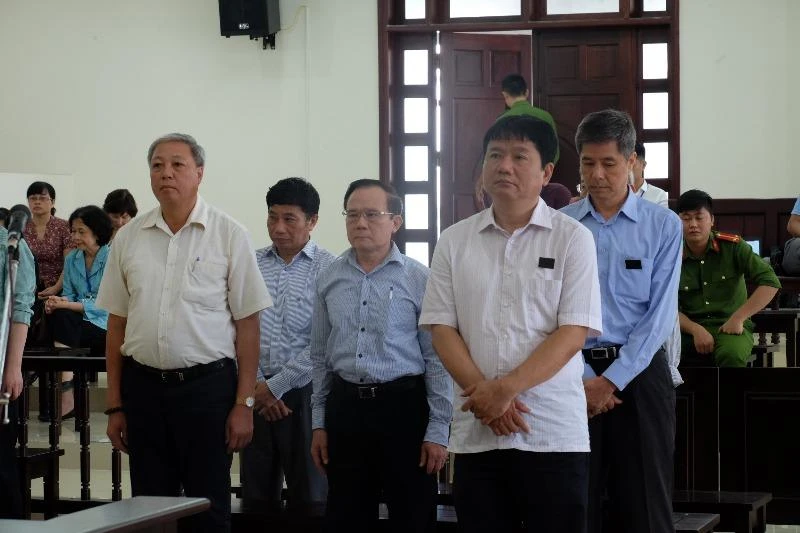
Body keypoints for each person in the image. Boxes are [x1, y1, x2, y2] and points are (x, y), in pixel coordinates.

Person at [420, 115, 602, 532]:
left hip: (551, 432)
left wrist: (504, 391)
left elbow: (573, 331)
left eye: (520, 156)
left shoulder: (572, 238)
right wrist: (487, 397)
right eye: (495, 155)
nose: (504, 166)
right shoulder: (454, 240)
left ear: (546, 173)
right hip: (478, 432)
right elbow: (442, 329)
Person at [96, 133, 272, 533]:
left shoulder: (229, 234)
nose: (166, 173)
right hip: (143, 389)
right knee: (148, 508)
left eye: (177, 164)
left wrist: (244, 403)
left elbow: (248, 325)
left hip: (207, 390)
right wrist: (115, 404)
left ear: (199, 173)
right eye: (157, 165)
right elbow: (117, 324)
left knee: (206, 507)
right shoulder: (128, 238)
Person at [560, 109, 682, 533]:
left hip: (641, 375)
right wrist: (584, 377)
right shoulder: (562, 226)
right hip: (571, 373)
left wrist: (610, 381)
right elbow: (552, 309)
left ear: (631, 161)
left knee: (645, 504)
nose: (597, 175)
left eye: (608, 163)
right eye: (588, 163)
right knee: (577, 502)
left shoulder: (662, 225)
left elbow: (660, 315)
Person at [309, 179, 453, 533]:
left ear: (395, 222)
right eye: (352, 214)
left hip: (403, 409)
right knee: (346, 516)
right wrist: (319, 424)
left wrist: (438, 429)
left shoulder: (419, 278)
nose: (360, 223)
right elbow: (320, 357)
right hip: (346, 410)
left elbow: (437, 359)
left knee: (412, 515)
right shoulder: (328, 278)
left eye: (372, 214)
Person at [239, 177, 335, 510]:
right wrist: (259, 386)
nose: (278, 228)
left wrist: (276, 386)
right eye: (272, 217)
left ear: (312, 221)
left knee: (310, 495)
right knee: (255, 495)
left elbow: (327, 340)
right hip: (254, 392)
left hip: (307, 394)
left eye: (289, 219)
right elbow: (237, 326)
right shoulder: (251, 264)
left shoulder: (330, 268)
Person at [677, 190, 780, 368]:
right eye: (686, 219)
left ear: (712, 220)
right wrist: (694, 329)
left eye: (699, 218)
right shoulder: (670, 254)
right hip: (687, 328)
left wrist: (739, 318)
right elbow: (664, 304)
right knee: (659, 357)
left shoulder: (732, 247)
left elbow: (770, 282)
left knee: (731, 355)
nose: (693, 224)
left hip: (730, 326)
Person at [45, 206, 113, 418]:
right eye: (73, 231)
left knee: (61, 319)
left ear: (97, 232)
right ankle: (65, 391)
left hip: (106, 326)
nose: (74, 237)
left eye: (81, 232)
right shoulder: (72, 259)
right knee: (54, 314)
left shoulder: (112, 258)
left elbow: (106, 304)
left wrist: (66, 305)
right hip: (78, 324)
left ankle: (65, 393)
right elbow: (70, 295)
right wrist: (58, 301)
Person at [0, 223, 36, 519]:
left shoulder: (11, 244)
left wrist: (13, 367)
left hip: (0, 368)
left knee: (1, 468)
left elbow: (21, 309)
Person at [23, 181, 73, 298]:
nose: (37, 202)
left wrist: (56, 288)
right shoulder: (22, 227)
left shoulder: (64, 227)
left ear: (53, 202)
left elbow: (69, 263)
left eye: (42, 198)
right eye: (33, 198)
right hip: (26, 289)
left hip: (59, 288)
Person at [498, 73, 560, 163]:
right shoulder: (546, 116)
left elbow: (499, 152)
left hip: (513, 169)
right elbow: (555, 152)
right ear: (527, 92)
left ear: (505, 95)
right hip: (541, 169)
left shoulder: (502, 119)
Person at [630, 142, 668, 207]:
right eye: (624, 164)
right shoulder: (614, 193)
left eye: (632, 164)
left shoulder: (659, 195)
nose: (627, 168)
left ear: (643, 165)